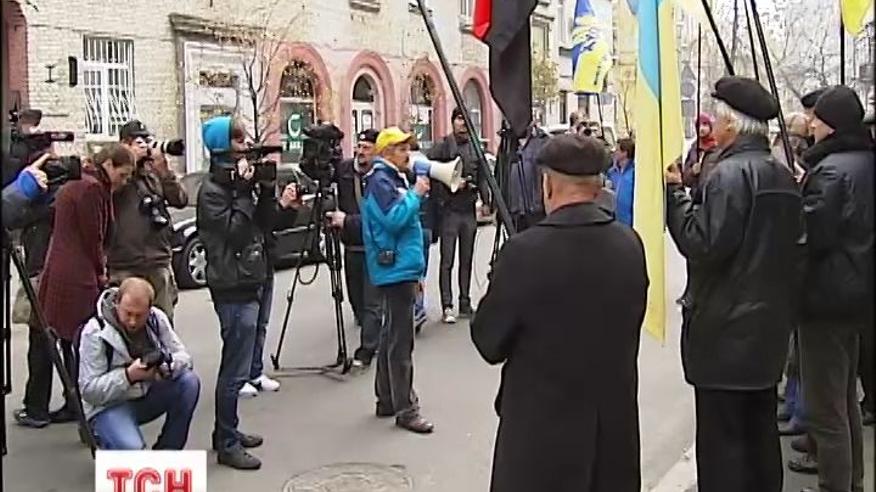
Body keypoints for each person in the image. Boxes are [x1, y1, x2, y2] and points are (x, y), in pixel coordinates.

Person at [471, 134, 648, 492]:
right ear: (599, 187)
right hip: (612, 438)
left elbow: (489, 341)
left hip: (541, 443)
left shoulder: (523, 253)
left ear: (548, 185)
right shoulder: (630, 244)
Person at [664, 76, 803, 492]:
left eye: (718, 117)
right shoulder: (781, 174)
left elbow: (702, 243)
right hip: (766, 330)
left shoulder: (729, 175)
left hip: (725, 331)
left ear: (732, 124)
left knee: (722, 445)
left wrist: (675, 196)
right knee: (760, 437)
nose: (713, 125)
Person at [197, 115, 299, 469]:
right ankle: (226, 444)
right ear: (222, 147)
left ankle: (226, 431)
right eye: (239, 141)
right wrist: (242, 191)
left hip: (252, 277)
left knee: (239, 363)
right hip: (231, 285)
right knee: (234, 369)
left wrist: (269, 193)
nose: (246, 147)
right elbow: (236, 233)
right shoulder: (212, 192)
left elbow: (264, 224)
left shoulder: (237, 185)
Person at [787, 86, 873, 492]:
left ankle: (834, 485)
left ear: (833, 125)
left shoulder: (832, 171)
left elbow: (809, 235)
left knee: (826, 408)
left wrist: (794, 201)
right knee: (845, 401)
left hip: (826, 298)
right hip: (855, 295)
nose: (811, 124)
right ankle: (851, 482)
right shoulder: (864, 161)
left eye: (817, 119)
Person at [25, 144, 135, 429]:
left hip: (60, 270)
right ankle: (80, 404)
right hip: (77, 276)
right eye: (122, 174)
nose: (124, 181)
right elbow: (93, 237)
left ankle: (46, 405)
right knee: (77, 341)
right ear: (108, 164)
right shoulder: (92, 189)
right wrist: (100, 272)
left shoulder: (78, 182)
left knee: (55, 337)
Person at [361, 127, 434, 434]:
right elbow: (393, 219)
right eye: (402, 149)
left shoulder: (388, 179)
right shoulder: (382, 181)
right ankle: (406, 409)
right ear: (387, 153)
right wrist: (416, 195)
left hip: (398, 267)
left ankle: (387, 399)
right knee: (401, 342)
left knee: (391, 334)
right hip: (396, 268)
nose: (408, 154)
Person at [79, 278, 199, 450]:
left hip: (145, 395)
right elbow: (89, 391)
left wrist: (165, 366)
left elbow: (185, 358)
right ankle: (110, 445)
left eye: (139, 315)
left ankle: (167, 453)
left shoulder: (156, 318)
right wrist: (128, 376)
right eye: (128, 313)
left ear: (149, 309)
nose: (133, 321)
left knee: (189, 383)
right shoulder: (95, 332)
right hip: (107, 406)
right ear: (117, 303)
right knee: (134, 450)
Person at [108, 120, 188, 321]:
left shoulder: (153, 172)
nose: (144, 146)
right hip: (125, 264)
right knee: (128, 324)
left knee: (162, 323)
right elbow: (108, 191)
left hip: (157, 261)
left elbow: (180, 200)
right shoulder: (116, 172)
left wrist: (164, 171)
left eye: (146, 141)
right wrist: (129, 162)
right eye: (138, 142)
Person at [326, 129, 385, 367]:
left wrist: (347, 221)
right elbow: (321, 175)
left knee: (373, 302)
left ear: (377, 151)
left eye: (367, 148)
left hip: (375, 248)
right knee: (357, 300)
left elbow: (379, 219)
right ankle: (372, 332)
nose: (361, 152)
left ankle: (367, 349)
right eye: (359, 146)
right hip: (352, 246)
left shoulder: (382, 178)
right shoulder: (345, 170)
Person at [428, 108, 488, 323]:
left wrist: (486, 201)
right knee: (448, 260)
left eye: (466, 119)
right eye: (459, 119)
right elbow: (430, 170)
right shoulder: (443, 146)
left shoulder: (475, 147)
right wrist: (448, 185)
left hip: (468, 209)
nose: (463, 124)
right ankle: (447, 305)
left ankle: (465, 301)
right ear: (453, 121)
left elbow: (483, 176)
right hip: (450, 210)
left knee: (466, 258)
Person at [508, 123, 549, 232]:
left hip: (537, 211)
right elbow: (501, 174)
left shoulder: (543, 141)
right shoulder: (508, 144)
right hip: (514, 212)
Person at [681, 113, 720, 198]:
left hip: (713, 197)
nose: (701, 128)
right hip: (696, 198)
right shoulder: (694, 148)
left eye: (705, 124)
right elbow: (685, 180)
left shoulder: (719, 148)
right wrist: (692, 172)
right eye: (698, 125)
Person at [605, 137, 635, 227]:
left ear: (625, 153)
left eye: (617, 150)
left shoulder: (634, 173)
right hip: (614, 222)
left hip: (630, 222)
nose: (614, 152)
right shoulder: (611, 172)